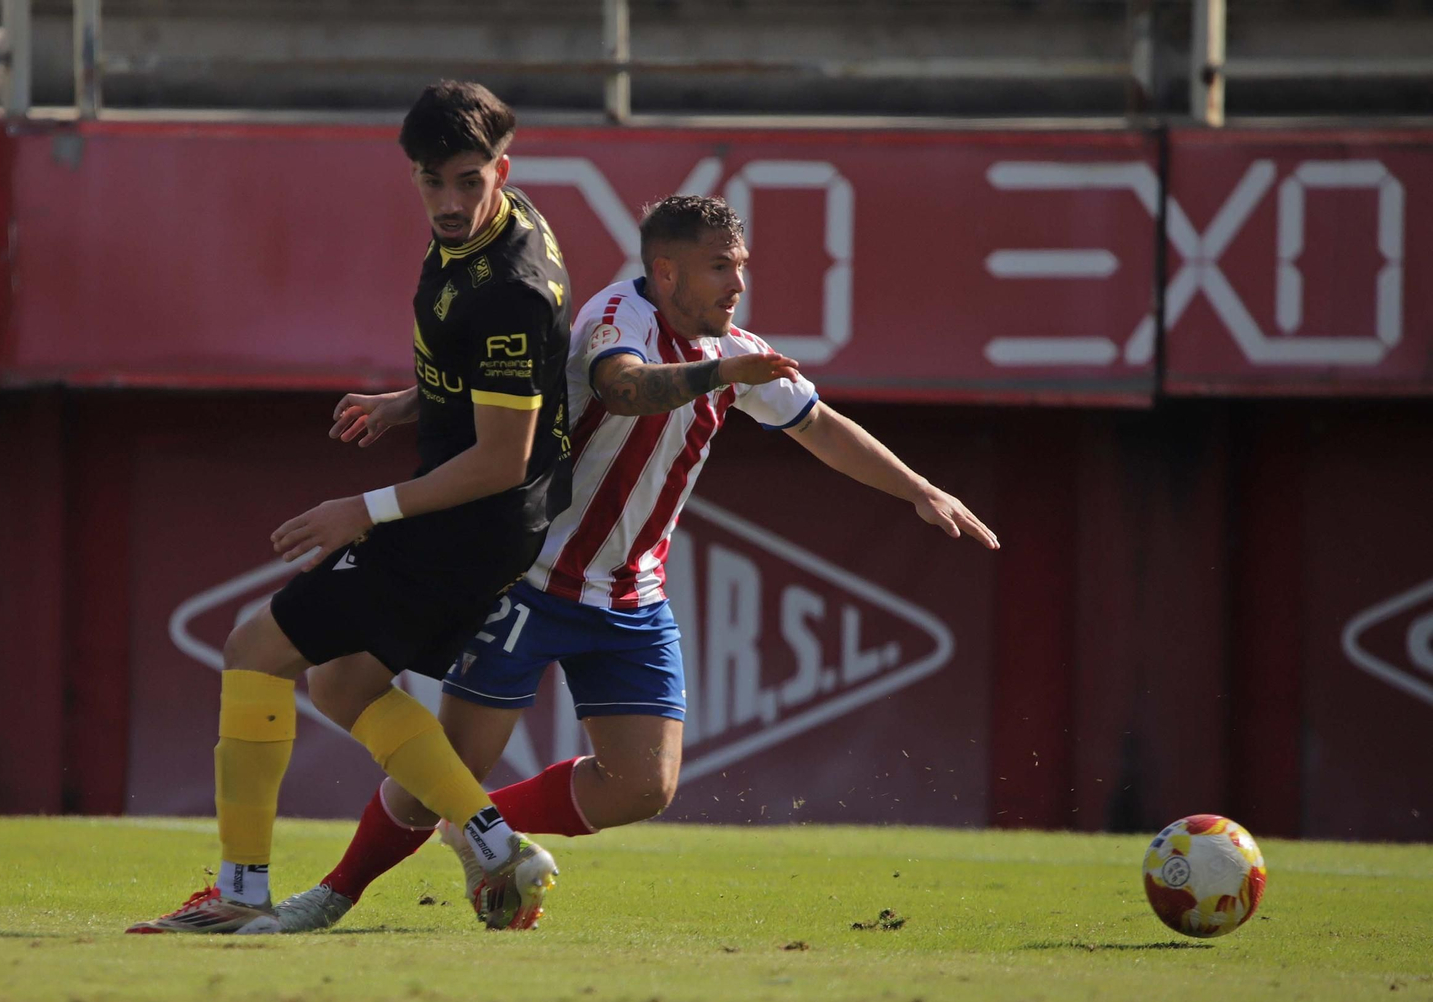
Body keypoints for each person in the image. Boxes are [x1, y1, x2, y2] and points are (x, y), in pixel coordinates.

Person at [275, 194, 1000, 933]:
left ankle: (477, 831)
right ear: (666, 271)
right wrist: (724, 374)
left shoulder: (731, 348)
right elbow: (623, 389)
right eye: (720, 267)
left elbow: (822, 427)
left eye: (740, 267)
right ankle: (332, 894)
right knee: (441, 777)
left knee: (641, 786)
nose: (737, 283)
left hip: (629, 598)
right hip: (531, 580)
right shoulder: (618, 319)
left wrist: (919, 489)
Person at [128, 80, 576, 934]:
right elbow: (497, 392)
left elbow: (499, 456)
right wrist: (413, 403)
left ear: (501, 169)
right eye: (432, 180)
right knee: (340, 681)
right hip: (479, 518)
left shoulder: (509, 286)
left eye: (467, 181)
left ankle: (240, 892)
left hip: (465, 521)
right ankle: (492, 841)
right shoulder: (500, 227)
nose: (449, 201)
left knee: (255, 648)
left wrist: (363, 509)